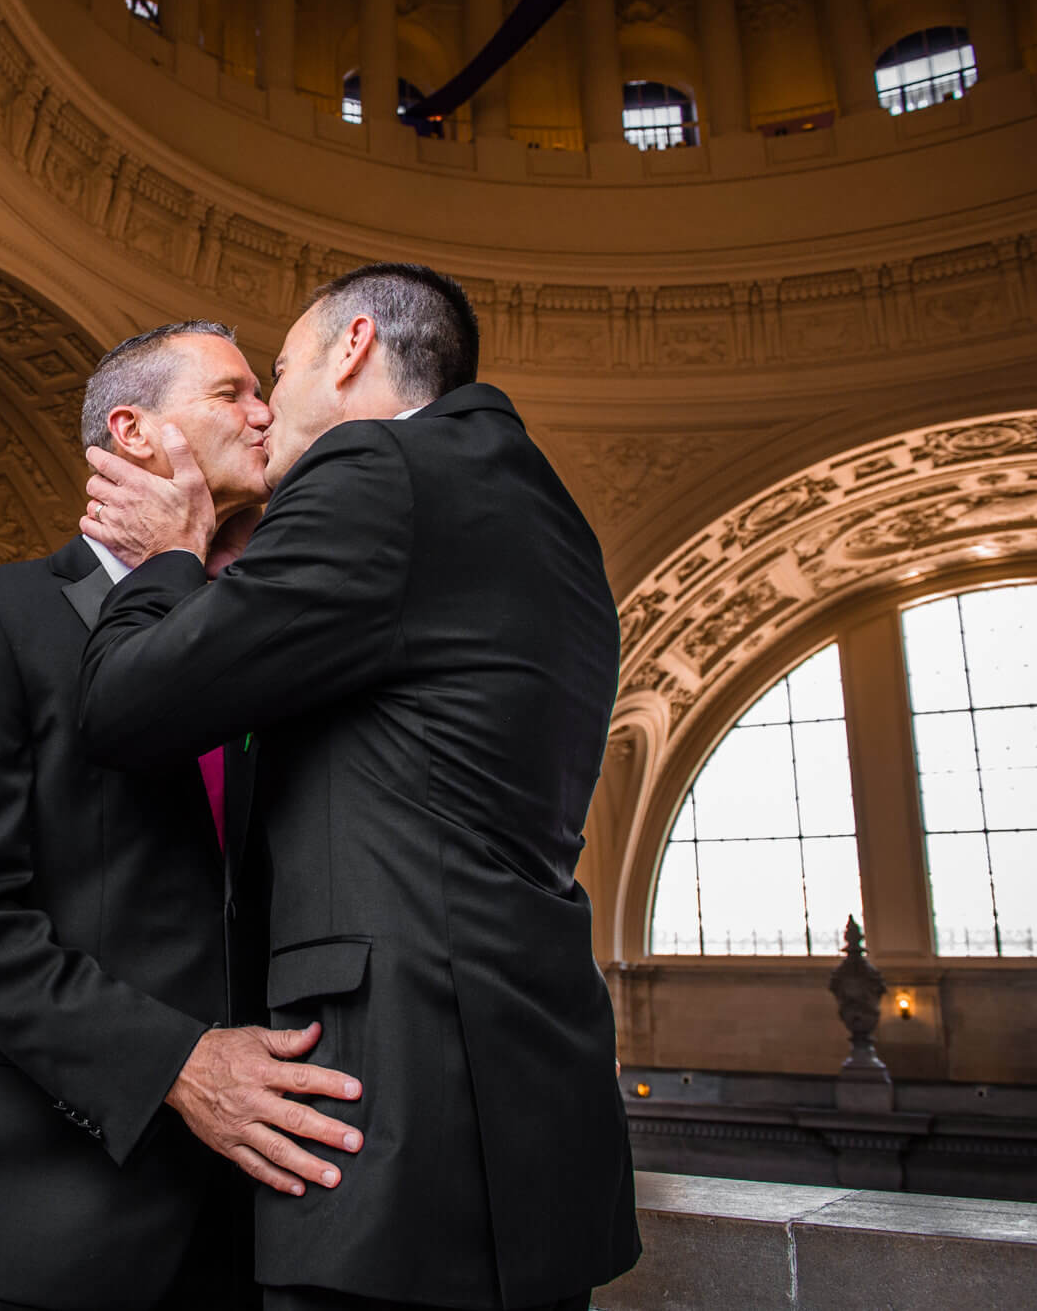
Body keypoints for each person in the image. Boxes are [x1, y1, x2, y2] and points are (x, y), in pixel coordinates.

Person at [76, 266, 641, 1311]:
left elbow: (124, 708)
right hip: (534, 1117)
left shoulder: (374, 468)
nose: (262, 409)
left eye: (276, 371)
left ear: (351, 349)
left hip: (387, 1123)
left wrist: (167, 557)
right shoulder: (549, 516)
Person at [0, 321, 366, 1311]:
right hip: (38, 1231)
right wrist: (177, 1064)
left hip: (247, 1233)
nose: (264, 412)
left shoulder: (257, 648)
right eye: (231, 392)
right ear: (133, 431)